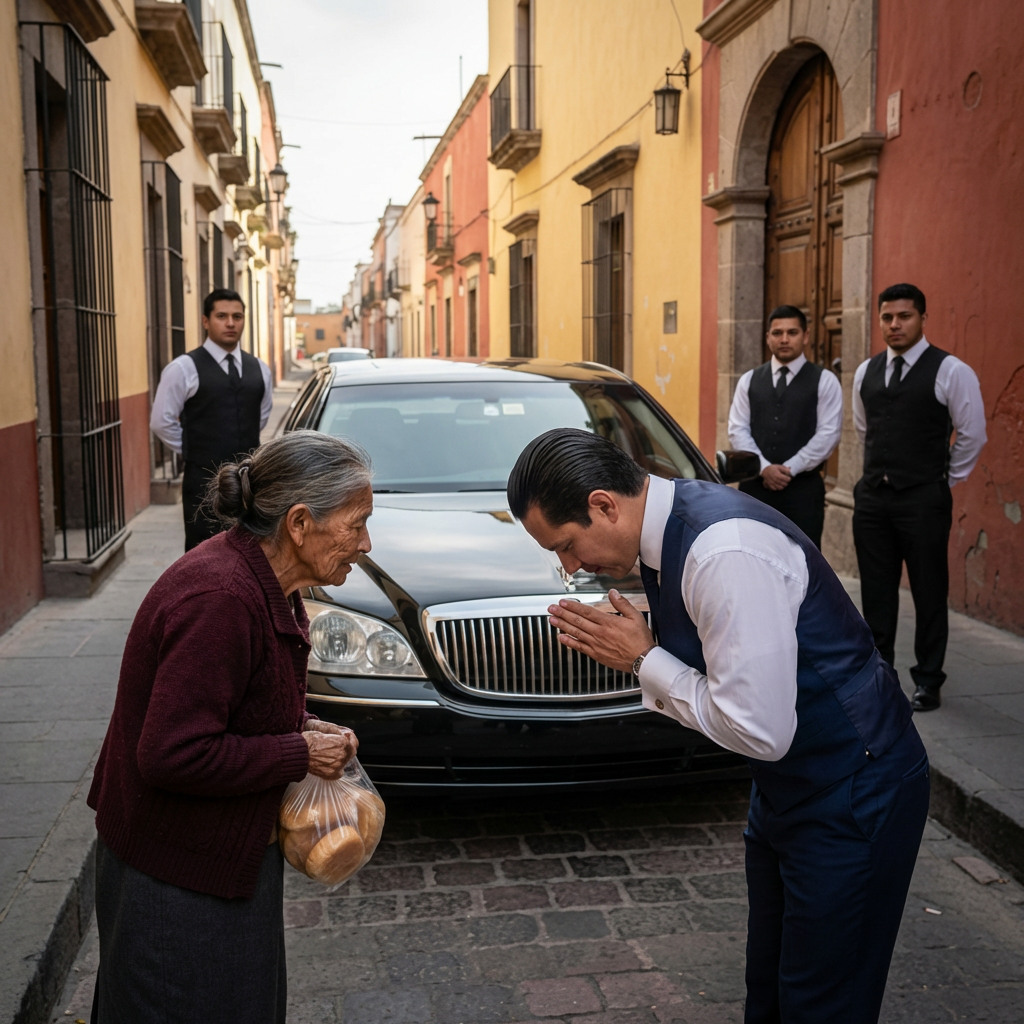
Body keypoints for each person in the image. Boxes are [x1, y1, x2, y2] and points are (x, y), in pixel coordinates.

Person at [508, 428, 929, 1024]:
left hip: (855, 785)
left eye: (567, 545)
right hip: (789, 789)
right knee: (772, 987)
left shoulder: (723, 552)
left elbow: (759, 729)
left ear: (604, 504)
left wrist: (644, 660)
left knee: (825, 1000)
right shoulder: (670, 533)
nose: (570, 567)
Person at [87, 431, 372, 1023]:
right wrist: (297, 754)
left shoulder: (270, 584)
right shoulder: (220, 598)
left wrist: (308, 727)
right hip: (173, 883)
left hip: (215, 866)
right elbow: (171, 753)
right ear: (298, 523)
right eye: (356, 524)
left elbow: (243, 704)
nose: (365, 545)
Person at [852, 283, 986, 712]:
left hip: (924, 498)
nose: (894, 325)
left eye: (904, 316)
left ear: (922, 319)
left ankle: (928, 680)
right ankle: (880, 673)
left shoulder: (951, 370)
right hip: (874, 498)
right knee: (876, 593)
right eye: (887, 317)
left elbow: (972, 434)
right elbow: (864, 430)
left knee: (929, 591)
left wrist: (943, 479)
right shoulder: (865, 371)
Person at [150, 288, 274, 550]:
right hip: (203, 484)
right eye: (222, 316)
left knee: (254, 551)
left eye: (237, 316)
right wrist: (195, 448)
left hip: (251, 484)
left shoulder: (260, 369)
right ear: (206, 321)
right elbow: (161, 421)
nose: (230, 323)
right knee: (203, 553)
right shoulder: (183, 368)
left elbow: (260, 416)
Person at [728, 305, 843, 548]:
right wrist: (764, 468)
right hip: (755, 489)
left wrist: (789, 469)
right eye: (777, 333)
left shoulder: (825, 381)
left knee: (804, 562)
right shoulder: (749, 380)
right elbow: (737, 428)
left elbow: (828, 434)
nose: (784, 339)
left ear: (806, 336)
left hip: (803, 490)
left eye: (792, 332)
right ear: (768, 337)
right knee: (751, 556)